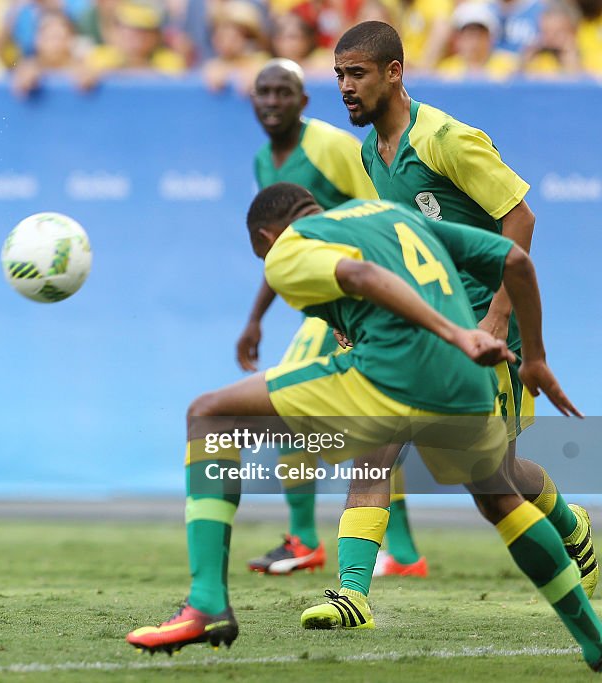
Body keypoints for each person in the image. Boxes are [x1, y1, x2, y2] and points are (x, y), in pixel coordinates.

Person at [126, 185, 602, 673]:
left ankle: (206, 603)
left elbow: (359, 274)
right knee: (498, 496)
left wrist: (452, 330)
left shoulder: (289, 248)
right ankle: (595, 639)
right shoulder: (391, 216)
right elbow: (514, 260)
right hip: (465, 379)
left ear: (267, 238)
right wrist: (536, 359)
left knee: (209, 415)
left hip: (397, 370)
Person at [333, 19, 597, 597]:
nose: (346, 87)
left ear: (394, 72)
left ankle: (570, 523)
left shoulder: (445, 139)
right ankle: (350, 594)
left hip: (487, 326)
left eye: (357, 73)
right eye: (339, 76)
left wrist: (500, 313)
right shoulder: (372, 151)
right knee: (376, 441)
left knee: (494, 472)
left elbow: (520, 216)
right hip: (431, 326)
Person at [238, 59, 424, 579]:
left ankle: (304, 539)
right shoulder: (264, 161)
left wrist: (376, 299)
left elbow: (382, 214)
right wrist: (255, 320)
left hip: (356, 299)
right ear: (252, 100)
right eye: (263, 91)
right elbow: (284, 249)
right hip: (328, 306)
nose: (272, 101)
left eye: (283, 92)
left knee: (285, 407)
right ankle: (404, 553)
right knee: (372, 426)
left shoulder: (330, 147)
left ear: (303, 100)